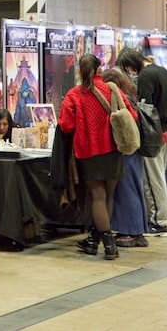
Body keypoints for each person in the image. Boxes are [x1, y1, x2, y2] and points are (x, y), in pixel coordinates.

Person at [59, 55, 136, 260]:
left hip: (88, 153)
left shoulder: (74, 94)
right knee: (108, 195)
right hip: (113, 149)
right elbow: (132, 115)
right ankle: (97, 241)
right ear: (100, 69)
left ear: (80, 71)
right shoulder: (112, 89)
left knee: (97, 196)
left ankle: (109, 245)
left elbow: (66, 125)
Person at [115, 48, 167, 237]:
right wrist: (165, 110)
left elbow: (143, 108)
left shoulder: (145, 75)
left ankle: (159, 222)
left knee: (153, 179)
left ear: (130, 65)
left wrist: (155, 116)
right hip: (163, 131)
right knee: (158, 175)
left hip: (152, 134)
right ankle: (159, 219)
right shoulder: (162, 70)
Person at [102, 69, 148, 248]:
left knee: (126, 189)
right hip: (134, 148)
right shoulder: (129, 97)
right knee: (134, 188)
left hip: (126, 150)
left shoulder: (119, 99)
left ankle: (130, 231)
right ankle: (136, 230)